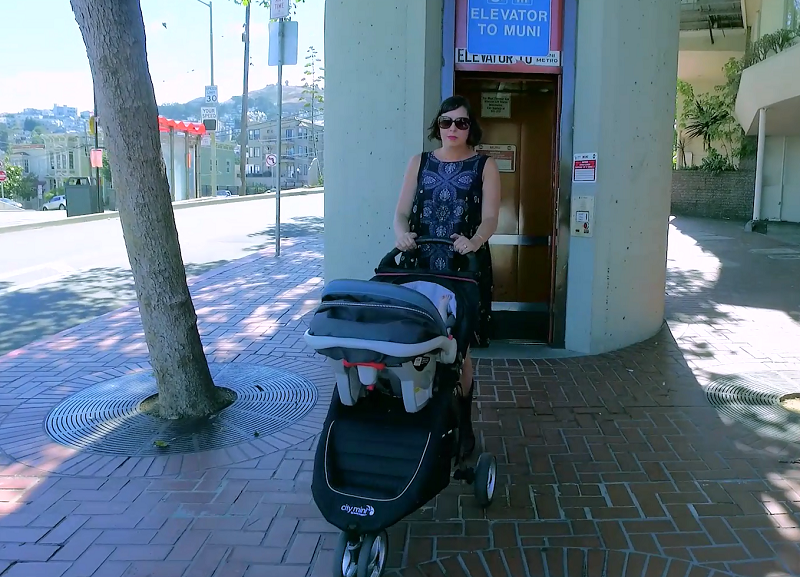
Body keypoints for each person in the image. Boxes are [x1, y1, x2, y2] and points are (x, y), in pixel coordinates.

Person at [393, 95, 501, 457]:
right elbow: (401, 214)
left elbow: (490, 218)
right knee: (419, 342)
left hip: (463, 268)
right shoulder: (419, 162)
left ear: (472, 127)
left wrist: (475, 240)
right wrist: (401, 234)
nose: (453, 129)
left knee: (460, 351)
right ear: (436, 126)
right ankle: (420, 414)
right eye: (446, 122)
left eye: (461, 122)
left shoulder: (484, 165)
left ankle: (464, 422)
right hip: (422, 264)